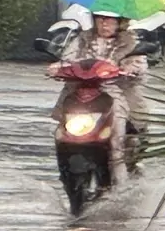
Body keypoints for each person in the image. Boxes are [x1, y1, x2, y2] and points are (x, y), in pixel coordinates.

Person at [49, 11, 150, 175]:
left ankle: (120, 178)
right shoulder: (82, 40)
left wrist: (131, 68)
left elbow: (139, 64)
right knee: (61, 131)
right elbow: (68, 58)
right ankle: (65, 165)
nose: (104, 24)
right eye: (100, 19)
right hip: (81, 91)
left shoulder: (130, 43)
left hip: (113, 91)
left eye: (109, 20)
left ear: (119, 23)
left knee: (118, 134)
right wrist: (58, 67)